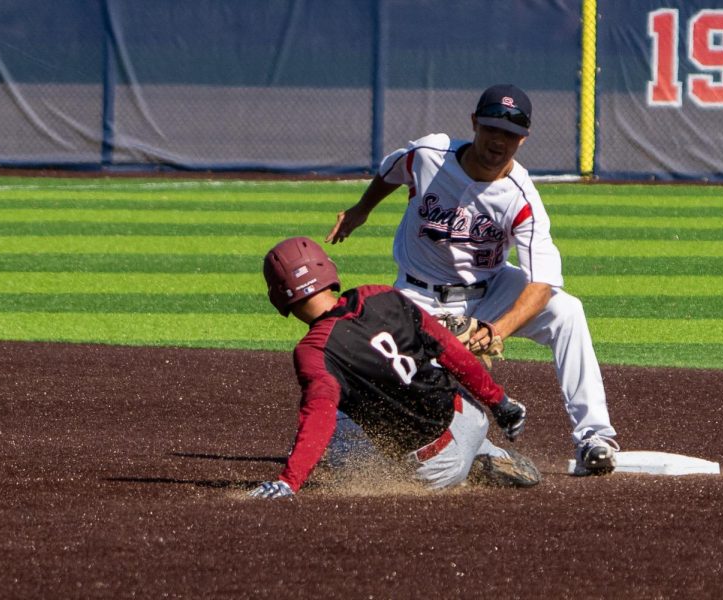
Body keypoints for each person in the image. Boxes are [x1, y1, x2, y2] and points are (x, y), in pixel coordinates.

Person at [325, 83, 618, 476]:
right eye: (492, 129)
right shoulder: (429, 155)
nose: (499, 141)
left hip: (490, 291)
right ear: (474, 124)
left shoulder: (521, 197)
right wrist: (362, 209)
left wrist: (496, 331)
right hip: (416, 296)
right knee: (395, 375)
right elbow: (389, 172)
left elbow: (542, 283)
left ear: (523, 139)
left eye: (511, 134)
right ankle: (476, 450)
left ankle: (593, 438)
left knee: (566, 311)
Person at [249, 236, 540, 499]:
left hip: (436, 468)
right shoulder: (379, 295)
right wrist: (500, 403)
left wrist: (289, 480)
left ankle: (463, 470)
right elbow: (453, 352)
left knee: (335, 428)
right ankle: (484, 449)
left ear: (279, 295)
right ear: (327, 269)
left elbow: (318, 419)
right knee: (428, 372)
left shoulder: (314, 350)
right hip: (470, 416)